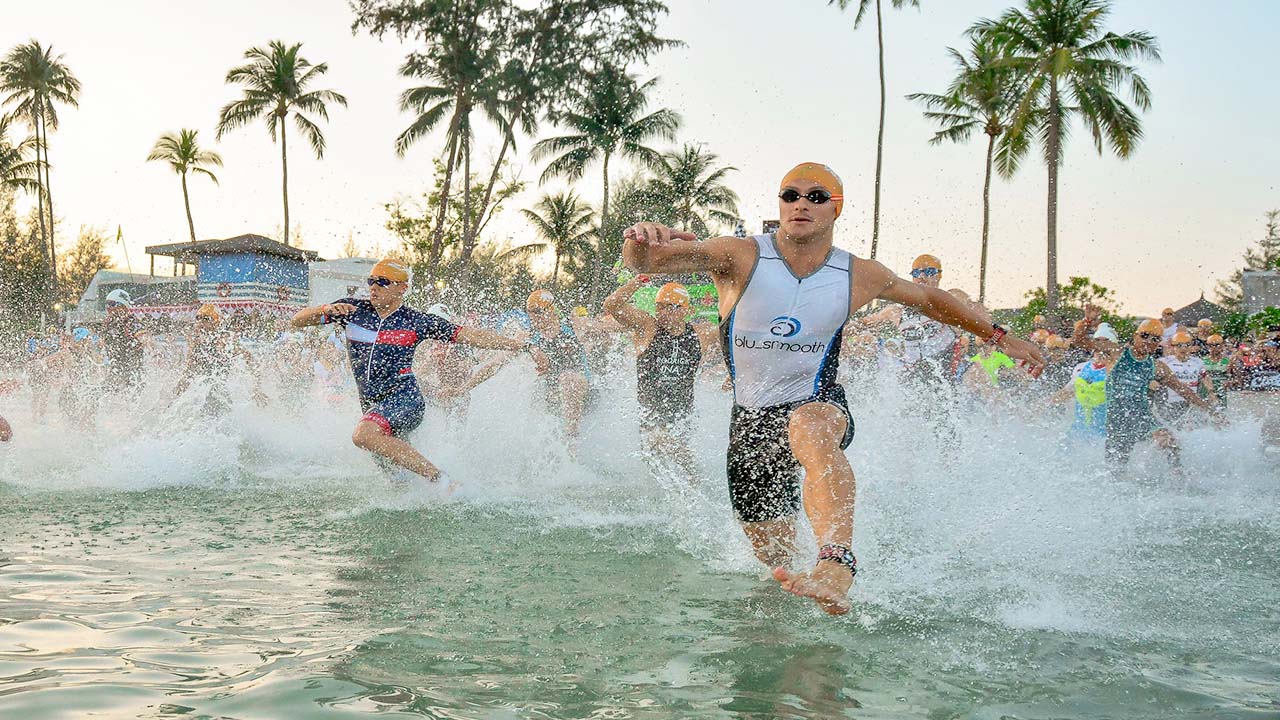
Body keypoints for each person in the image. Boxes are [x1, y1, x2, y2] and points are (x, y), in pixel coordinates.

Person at [622, 161, 1045, 615]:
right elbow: (648, 263)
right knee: (775, 560)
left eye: (816, 196)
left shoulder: (856, 274)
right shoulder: (739, 254)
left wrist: (1001, 337)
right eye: (791, 195)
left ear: (836, 210)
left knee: (809, 426)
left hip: (816, 399)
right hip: (749, 425)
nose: (801, 203)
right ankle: (807, 592)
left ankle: (836, 560)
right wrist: (641, 240)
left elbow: (932, 300)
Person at [291, 259, 536, 483]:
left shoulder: (416, 321)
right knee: (398, 481)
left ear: (402, 288)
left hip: (405, 399)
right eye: (371, 281)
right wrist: (324, 309)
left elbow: (470, 335)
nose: (373, 287)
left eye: (383, 282)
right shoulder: (353, 311)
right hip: (372, 405)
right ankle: (432, 495)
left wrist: (520, 345)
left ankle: (443, 481)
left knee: (363, 435)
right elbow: (297, 321)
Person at [602, 276, 719, 480]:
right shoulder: (647, 327)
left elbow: (734, 336)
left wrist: (731, 374)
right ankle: (695, 482)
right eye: (660, 307)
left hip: (682, 415)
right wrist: (639, 281)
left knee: (674, 468)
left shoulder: (701, 334)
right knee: (659, 446)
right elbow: (611, 305)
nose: (664, 312)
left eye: (671, 307)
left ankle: (694, 491)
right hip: (651, 416)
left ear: (686, 310)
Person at [1076, 318, 1223, 477]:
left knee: (1169, 441)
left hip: (1142, 415)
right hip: (1117, 419)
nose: (1149, 341)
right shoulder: (1116, 352)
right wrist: (1087, 320)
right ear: (1136, 336)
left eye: (1155, 339)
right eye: (1145, 336)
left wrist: (1211, 411)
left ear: (1159, 343)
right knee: (1116, 470)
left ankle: (1178, 481)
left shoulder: (1157, 367)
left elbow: (1184, 391)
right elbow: (1080, 341)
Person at [524, 289, 591, 446]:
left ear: (551, 309)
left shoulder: (572, 325)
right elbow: (497, 361)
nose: (533, 317)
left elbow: (607, 325)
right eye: (530, 312)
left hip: (582, 391)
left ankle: (571, 441)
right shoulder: (529, 337)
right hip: (552, 395)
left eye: (538, 312)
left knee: (568, 379)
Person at [174, 304, 266, 415]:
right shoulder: (195, 345)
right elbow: (187, 375)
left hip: (222, 395)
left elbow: (250, 360)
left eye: (206, 319)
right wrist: (173, 397)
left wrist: (256, 389)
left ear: (215, 322)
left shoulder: (224, 341)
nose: (200, 322)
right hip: (203, 394)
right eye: (198, 318)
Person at [1051, 323, 1120, 441]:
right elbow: (1068, 392)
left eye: (1106, 341)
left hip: (1103, 435)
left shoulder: (1119, 369)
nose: (1101, 345)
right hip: (1077, 432)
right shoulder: (1081, 367)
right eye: (1097, 340)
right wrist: (1039, 407)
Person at [1156, 329, 1219, 426]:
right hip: (1171, 403)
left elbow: (1205, 377)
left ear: (1191, 347)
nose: (1183, 349)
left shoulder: (1197, 362)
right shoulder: (1164, 362)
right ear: (1173, 347)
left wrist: (1211, 392)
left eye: (1187, 345)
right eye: (1179, 345)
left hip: (1191, 403)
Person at [100, 289, 146, 392]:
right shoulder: (108, 324)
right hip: (116, 370)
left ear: (123, 306)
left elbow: (146, 340)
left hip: (133, 370)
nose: (108, 307)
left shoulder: (131, 323)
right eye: (107, 304)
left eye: (112, 304)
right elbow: (102, 349)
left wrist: (156, 353)